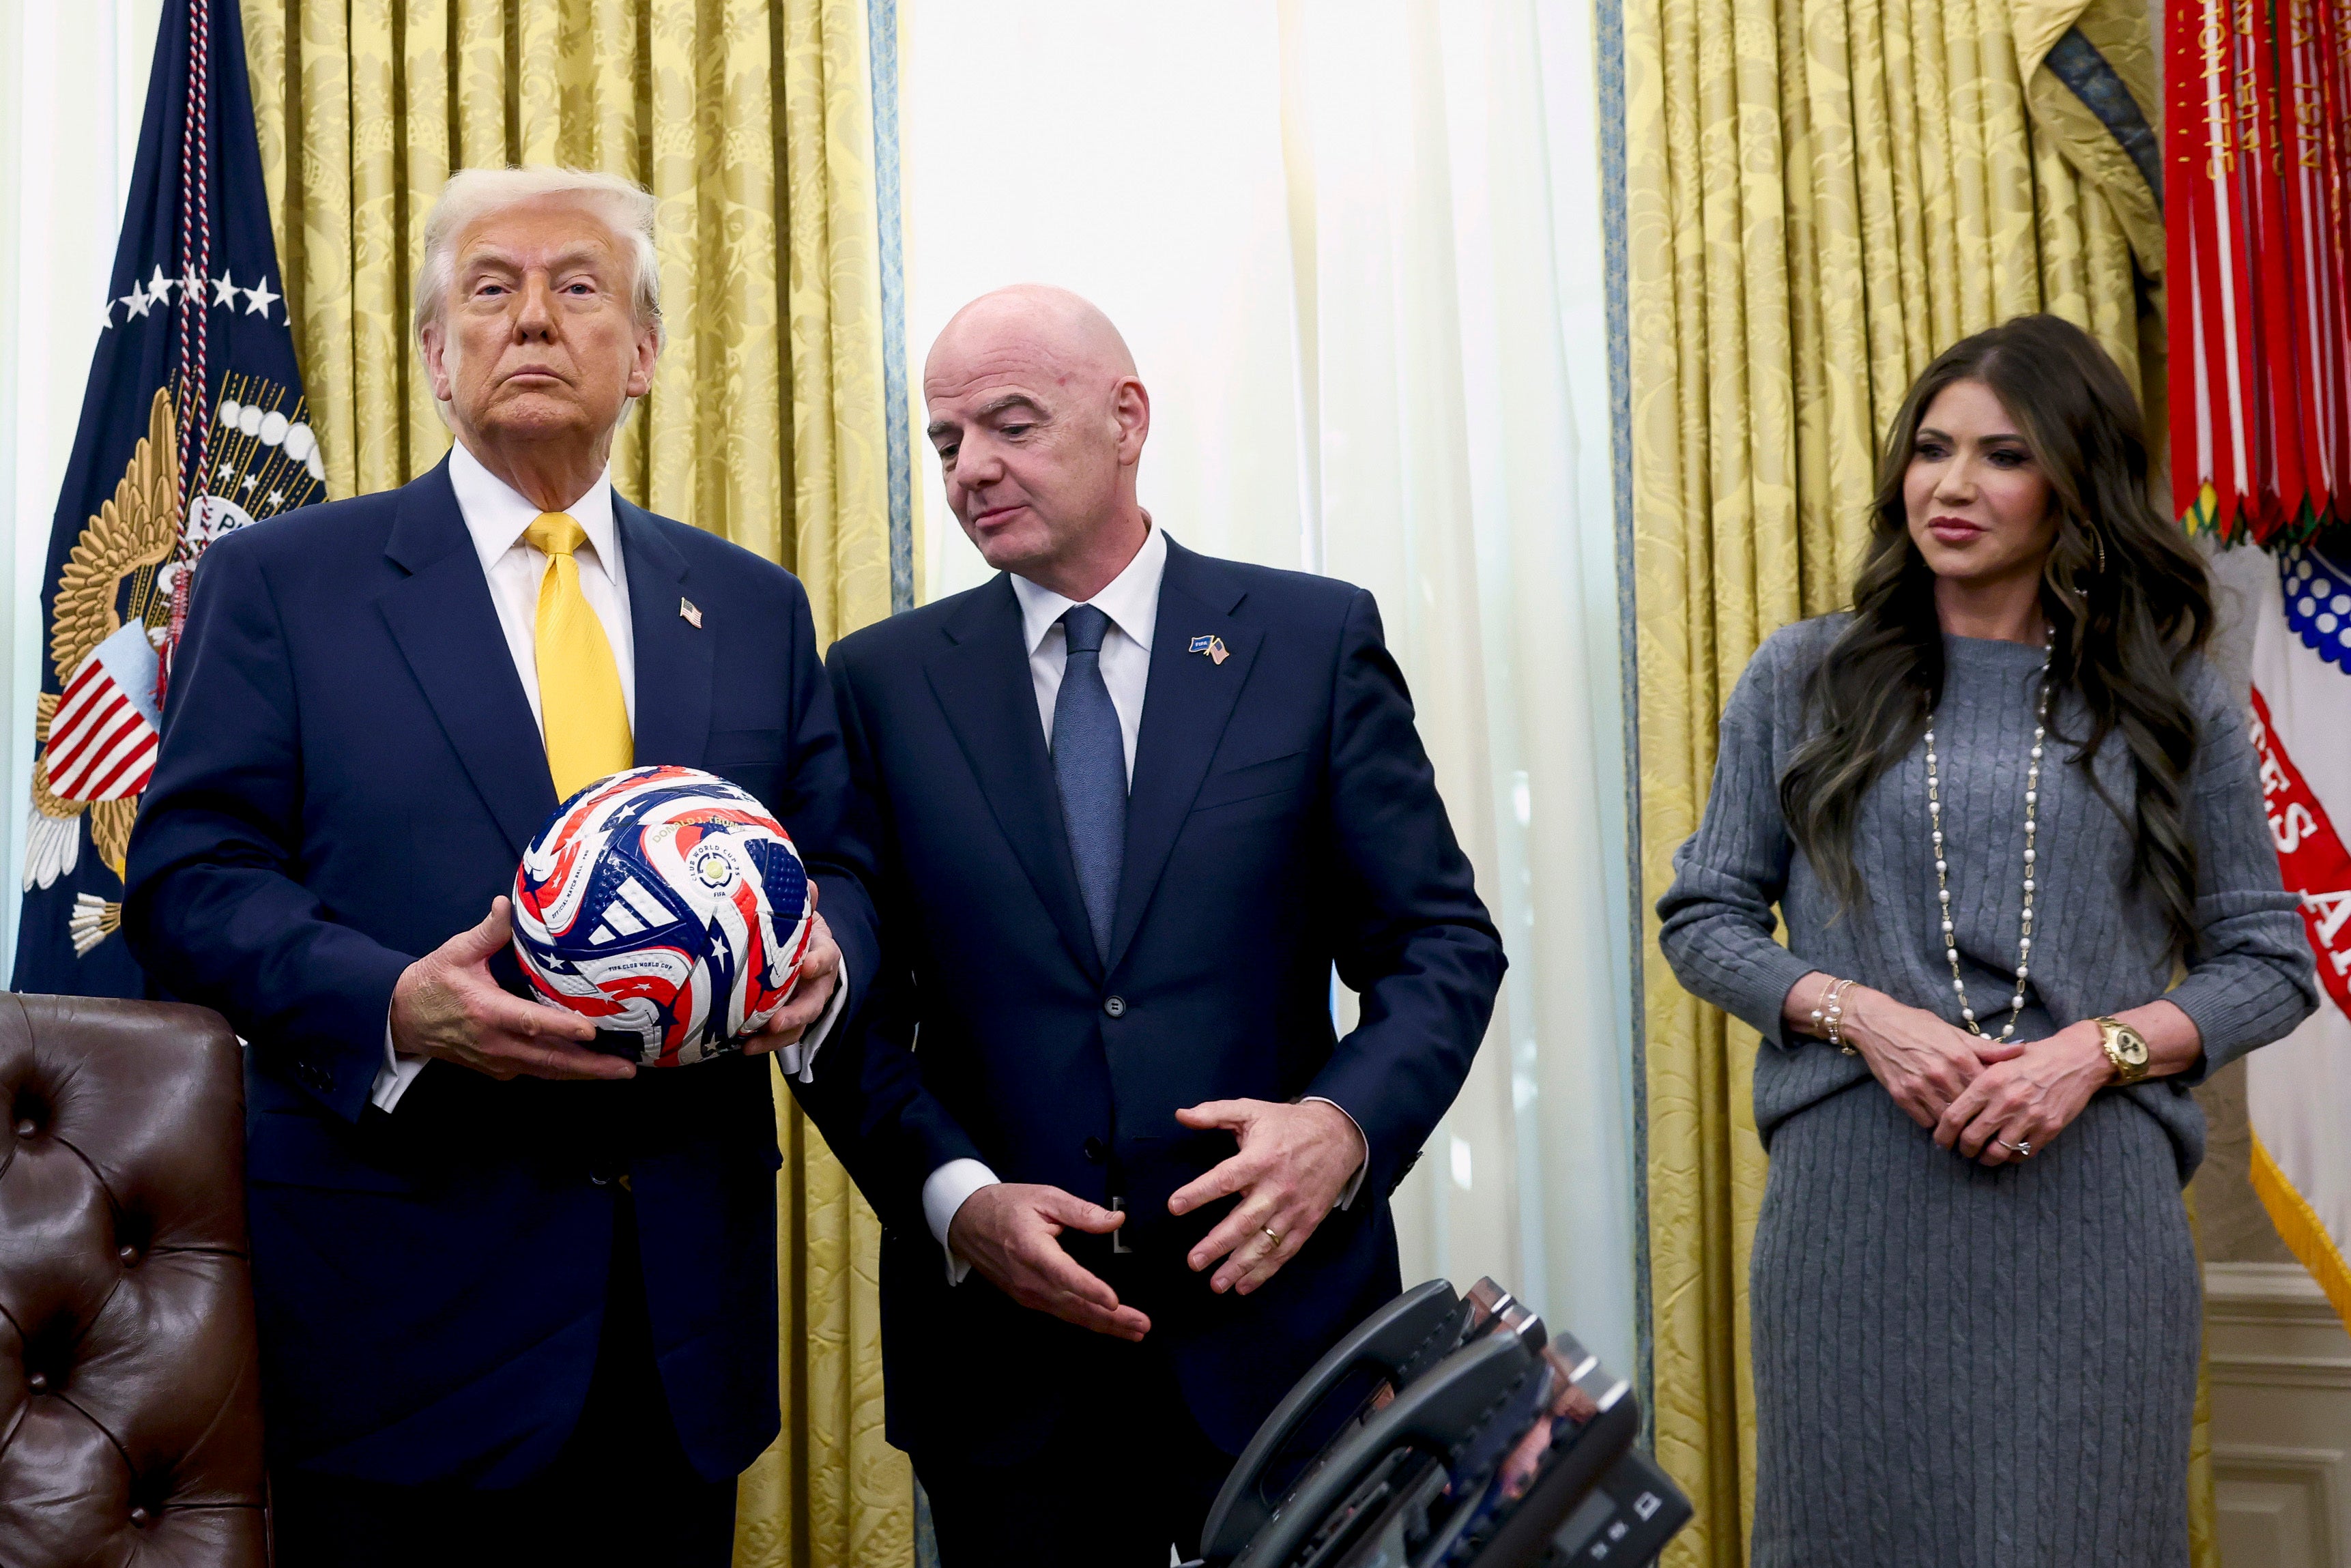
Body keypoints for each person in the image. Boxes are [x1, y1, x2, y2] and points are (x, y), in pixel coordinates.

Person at [122, 167, 876, 1567]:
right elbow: (187, 880)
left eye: (578, 287)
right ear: (433, 353)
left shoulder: (756, 608)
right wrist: (398, 1005)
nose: (532, 318)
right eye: (490, 289)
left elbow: (840, 866)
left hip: (676, 1337)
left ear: (642, 355)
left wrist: (826, 960)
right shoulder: (286, 585)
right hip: (392, 1328)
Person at [798, 285, 1505, 1566]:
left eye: (1009, 425)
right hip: (1010, 1368)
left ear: (1126, 419)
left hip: (1283, 1337)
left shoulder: (1307, 637)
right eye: (946, 440)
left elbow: (1440, 947)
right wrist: (956, 1201)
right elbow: (839, 1009)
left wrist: (1339, 1128)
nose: (972, 470)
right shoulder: (879, 683)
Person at [1657, 314, 2316, 1567]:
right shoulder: (1802, 676)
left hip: (2093, 1226)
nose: (1951, 485)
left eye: (2001, 454)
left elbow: (2267, 961)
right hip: (1853, 1218)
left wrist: (2092, 1052)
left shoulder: (2166, 698)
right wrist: (1865, 1015)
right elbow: (1706, 917)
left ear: (2075, 484)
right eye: (1931, 448)